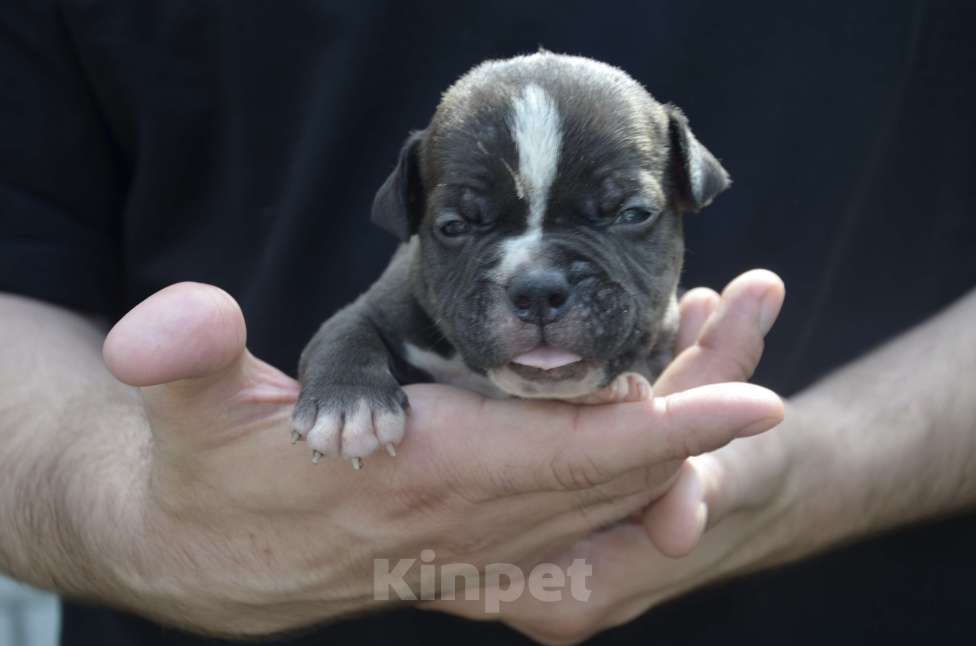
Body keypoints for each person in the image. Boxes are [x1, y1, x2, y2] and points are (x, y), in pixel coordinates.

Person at [1, 2, 973, 645]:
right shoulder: (403, 296)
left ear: (687, 185)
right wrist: (145, 525)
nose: (536, 281)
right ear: (415, 212)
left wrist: (793, 477)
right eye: (466, 226)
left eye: (625, 213)